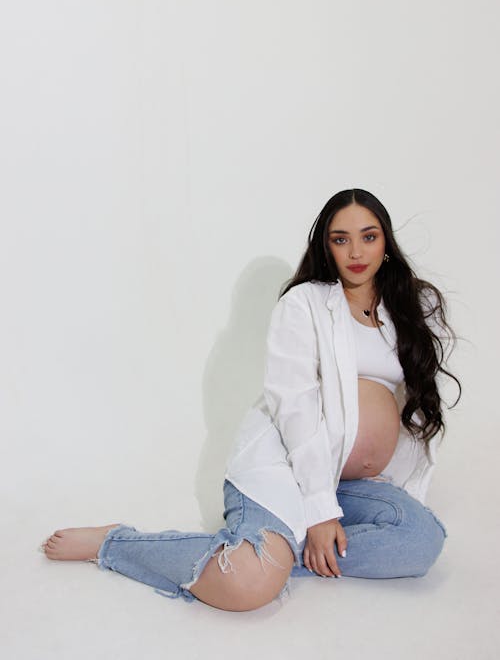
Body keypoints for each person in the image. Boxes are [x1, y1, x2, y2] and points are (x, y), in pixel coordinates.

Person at [42, 188, 460, 612]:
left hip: (346, 484)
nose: (356, 251)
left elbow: (417, 402)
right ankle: (117, 543)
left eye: (368, 237)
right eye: (340, 238)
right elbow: (294, 407)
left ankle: (272, 554)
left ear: (386, 242)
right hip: (285, 468)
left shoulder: (410, 305)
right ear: (325, 246)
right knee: (247, 588)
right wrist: (317, 510)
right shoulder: (304, 304)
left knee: (420, 542)